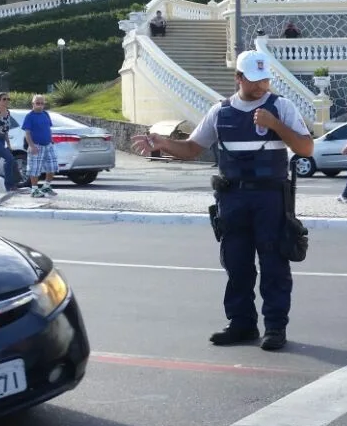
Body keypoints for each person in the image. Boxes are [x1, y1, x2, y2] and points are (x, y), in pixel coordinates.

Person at [131, 49, 315, 351]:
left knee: (274, 264)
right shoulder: (220, 111)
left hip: (270, 197)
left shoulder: (281, 107)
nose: (261, 87)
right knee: (237, 263)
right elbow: (192, 149)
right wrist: (163, 144)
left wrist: (276, 125)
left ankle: (275, 328)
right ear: (239, 78)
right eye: (255, 81)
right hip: (233, 198)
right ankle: (241, 324)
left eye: (265, 80)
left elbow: (306, 148)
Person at [22, 95, 58, 198]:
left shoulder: (46, 114)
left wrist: (51, 140)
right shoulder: (29, 116)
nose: (40, 105)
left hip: (48, 145)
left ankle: (46, 186)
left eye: (42, 103)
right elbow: (27, 133)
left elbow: (48, 128)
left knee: (52, 167)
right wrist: (32, 146)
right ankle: (34, 190)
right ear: (33, 104)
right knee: (35, 169)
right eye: (38, 103)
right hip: (36, 146)